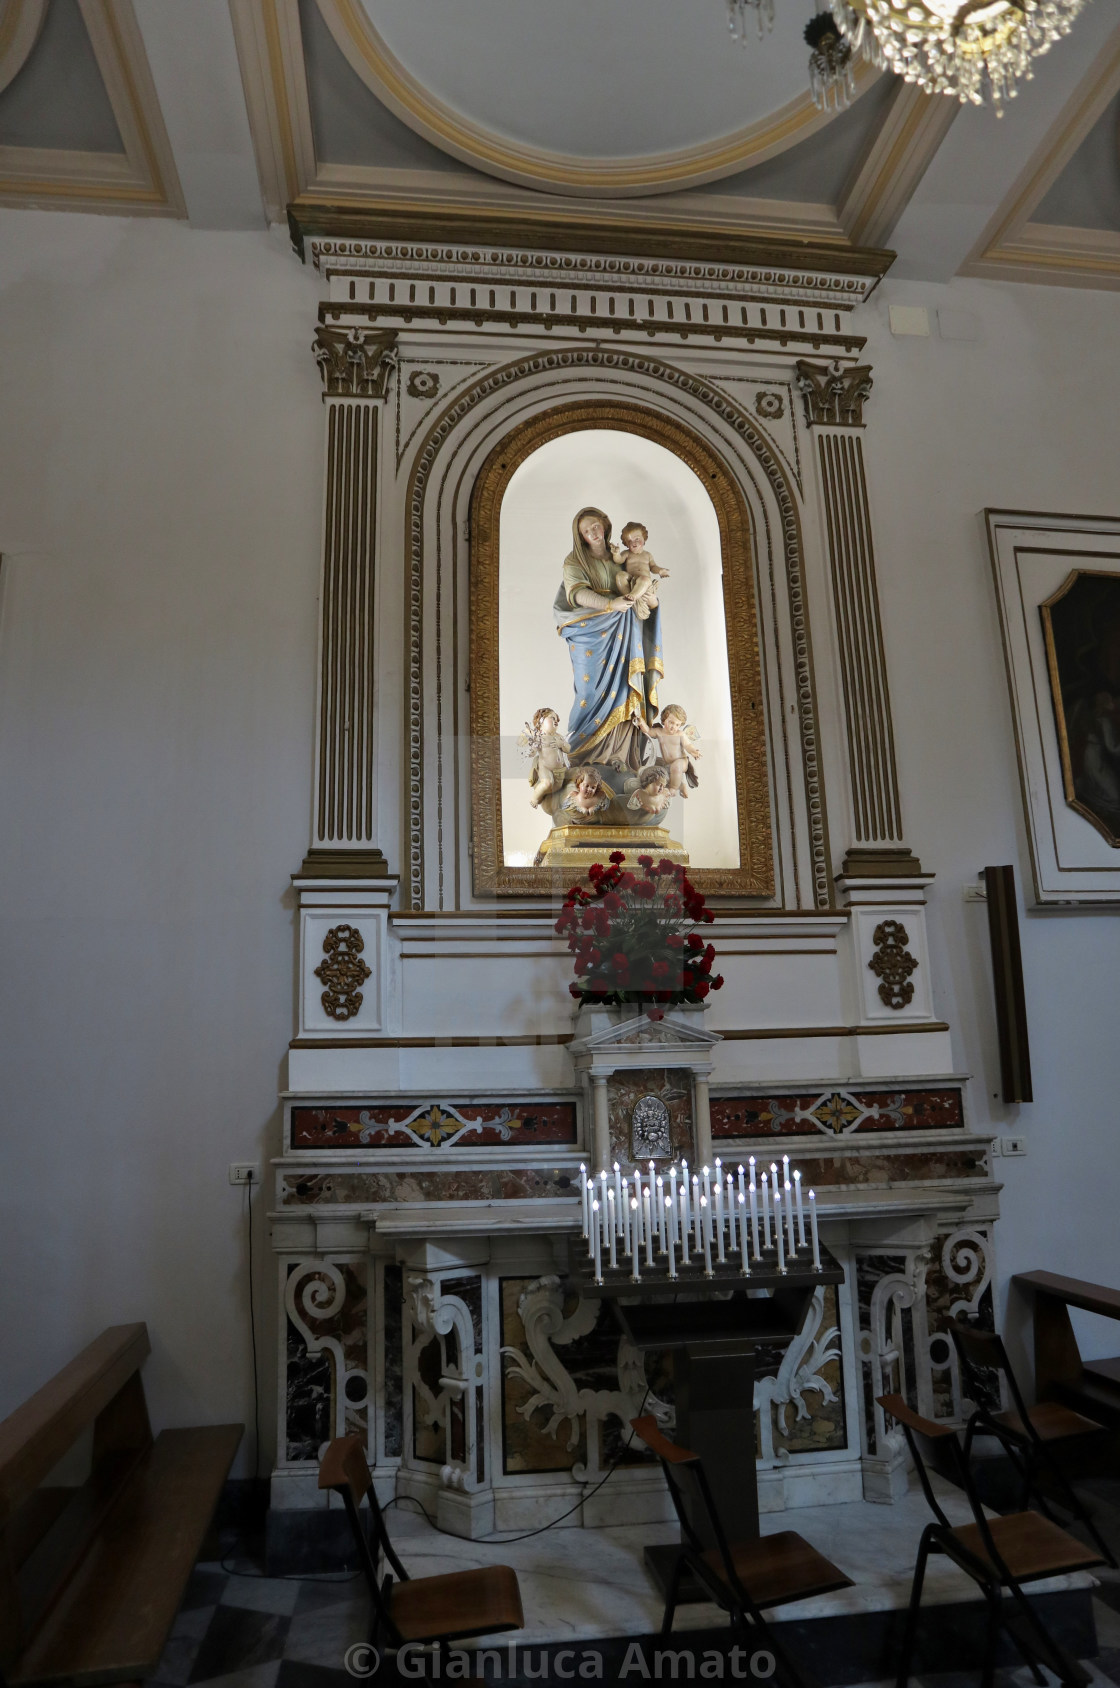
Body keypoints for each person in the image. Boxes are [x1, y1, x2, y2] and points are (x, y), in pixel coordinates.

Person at [553, 507, 664, 772]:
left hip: (626, 628)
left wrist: (650, 600)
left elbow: (643, 585)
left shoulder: (622, 558)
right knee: (589, 691)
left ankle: (622, 760)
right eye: (586, 530)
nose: (593, 532)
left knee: (627, 689)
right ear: (580, 536)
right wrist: (609, 604)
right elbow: (577, 595)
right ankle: (583, 760)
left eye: (596, 526)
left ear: (605, 525)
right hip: (590, 632)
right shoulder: (574, 561)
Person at [637, 704, 701, 798]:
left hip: (682, 762)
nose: (673, 727)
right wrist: (641, 722)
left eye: (677, 725)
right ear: (664, 720)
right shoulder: (659, 731)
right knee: (657, 770)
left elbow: (687, 745)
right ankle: (681, 786)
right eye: (671, 722)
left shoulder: (680, 734)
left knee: (676, 767)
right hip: (668, 763)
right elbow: (648, 731)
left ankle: (673, 788)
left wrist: (693, 751)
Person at [616, 521, 670, 620]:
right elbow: (618, 560)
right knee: (620, 575)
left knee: (644, 579)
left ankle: (634, 596)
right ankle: (628, 598)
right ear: (626, 544)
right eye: (630, 541)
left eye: (637, 539)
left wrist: (660, 571)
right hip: (631, 580)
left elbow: (653, 567)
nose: (634, 543)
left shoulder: (647, 555)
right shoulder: (626, 553)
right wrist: (616, 553)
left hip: (644, 583)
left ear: (644, 539)